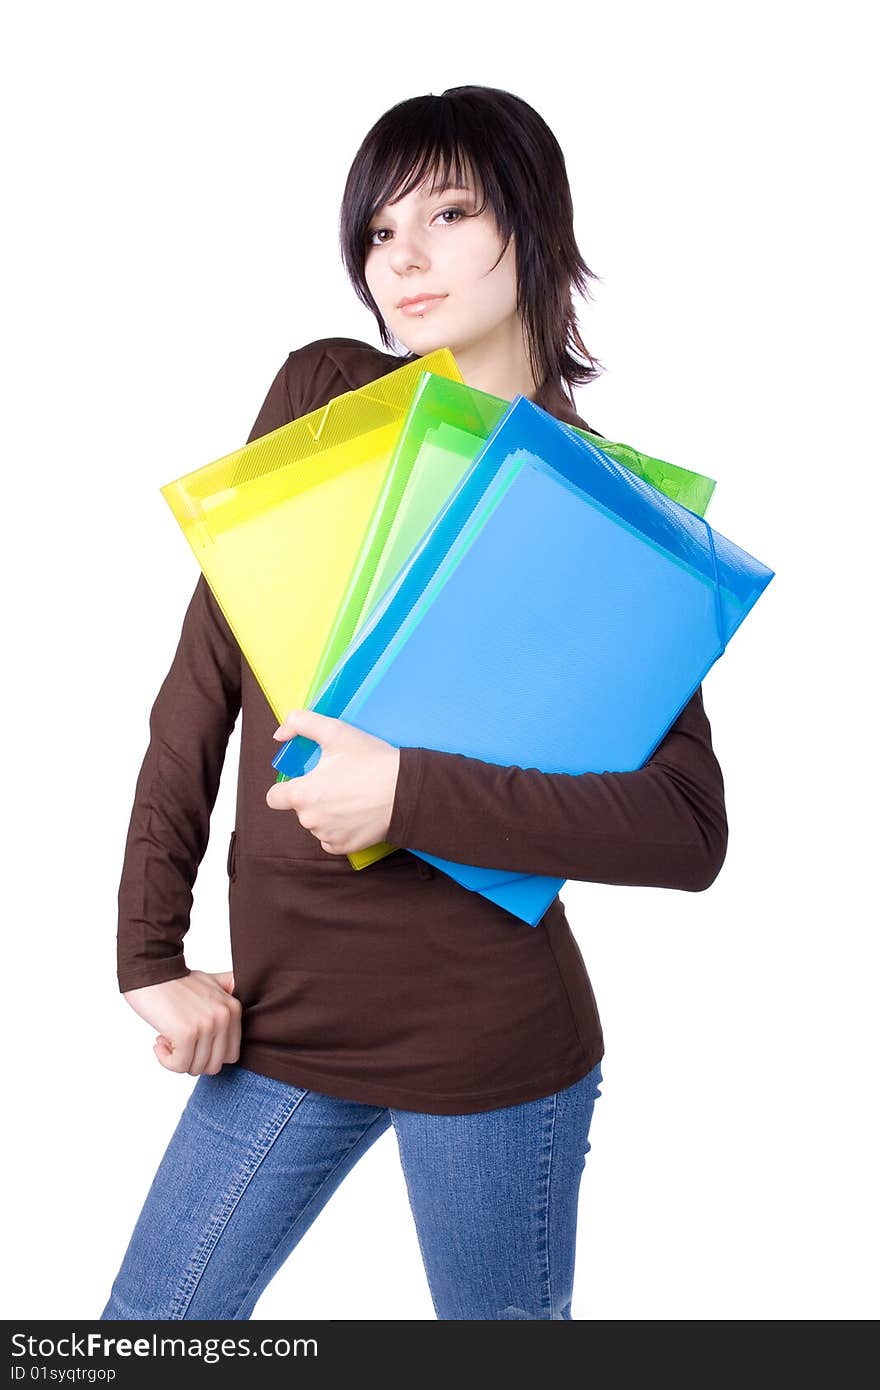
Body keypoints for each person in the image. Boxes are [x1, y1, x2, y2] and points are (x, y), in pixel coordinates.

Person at [101, 86, 728, 1322]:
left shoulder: (604, 508)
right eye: (380, 232)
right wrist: (146, 953)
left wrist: (407, 792)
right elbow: (201, 681)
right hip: (276, 1022)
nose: (405, 258)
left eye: (449, 211)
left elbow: (686, 827)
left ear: (535, 227)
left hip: (491, 1047)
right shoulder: (327, 394)